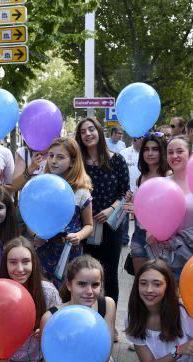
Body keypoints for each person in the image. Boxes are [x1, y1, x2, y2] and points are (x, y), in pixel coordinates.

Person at [146, 136, 193, 280]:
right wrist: (153, 234)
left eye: (179, 151)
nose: (174, 156)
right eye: (170, 152)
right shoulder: (159, 185)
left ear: (190, 155)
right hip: (166, 257)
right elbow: (150, 223)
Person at [76, 117, 130, 307]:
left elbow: (125, 193)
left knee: (108, 273)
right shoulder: (78, 163)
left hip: (110, 226)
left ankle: (108, 318)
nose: (88, 134)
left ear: (99, 131)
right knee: (84, 273)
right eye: (83, 132)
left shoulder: (117, 160)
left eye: (91, 129)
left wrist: (110, 209)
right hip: (84, 227)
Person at [35, 138, 93, 285]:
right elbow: (32, 217)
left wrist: (79, 235)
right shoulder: (41, 186)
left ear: (72, 162)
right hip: (43, 249)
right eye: (51, 155)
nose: (54, 161)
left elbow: (89, 226)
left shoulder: (81, 191)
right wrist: (34, 234)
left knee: (66, 290)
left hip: (69, 252)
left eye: (60, 157)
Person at [125, 134, 170, 274]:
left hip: (160, 237)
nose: (150, 153)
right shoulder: (141, 177)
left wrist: (138, 208)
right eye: (146, 149)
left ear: (162, 151)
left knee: (159, 282)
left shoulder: (168, 176)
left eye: (155, 149)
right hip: (139, 235)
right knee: (141, 281)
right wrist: (131, 199)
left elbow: (168, 210)